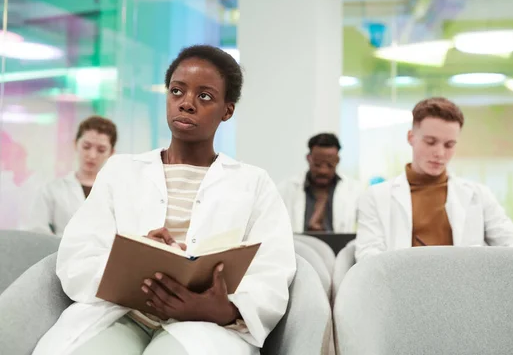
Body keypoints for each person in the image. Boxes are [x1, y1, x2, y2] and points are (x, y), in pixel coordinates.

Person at [33, 45, 296, 355]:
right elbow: (78, 255)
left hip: (204, 325)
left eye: (205, 96)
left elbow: (273, 271)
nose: (186, 104)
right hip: (121, 313)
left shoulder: (254, 183)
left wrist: (222, 310)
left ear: (227, 110)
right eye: (177, 91)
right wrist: (133, 258)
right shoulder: (121, 171)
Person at [355, 97, 513, 262]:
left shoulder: (478, 195)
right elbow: (368, 258)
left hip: (464, 289)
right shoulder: (375, 197)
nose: (440, 153)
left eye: (449, 145)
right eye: (430, 142)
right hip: (399, 290)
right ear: (411, 137)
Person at [24, 116, 117, 236]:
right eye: (86, 147)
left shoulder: (116, 193)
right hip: (59, 254)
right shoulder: (52, 190)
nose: (92, 155)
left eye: (101, 150)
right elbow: (37, 232)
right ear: (75, 144)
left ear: (111, 153)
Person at [278, 133, 362, 233]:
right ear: (309, 158)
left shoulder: (355, 190)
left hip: (338, 248)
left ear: (338, 160)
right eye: (317, 165)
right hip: (298, 247)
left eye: (329, 165)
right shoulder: (285, 189)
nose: (323, 171)